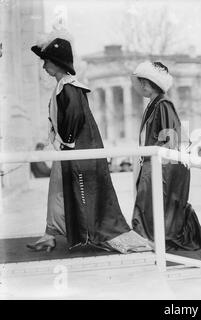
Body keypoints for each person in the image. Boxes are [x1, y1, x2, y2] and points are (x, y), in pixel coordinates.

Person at [27, 32, 147, 253]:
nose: (44, 66)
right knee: (57, 190)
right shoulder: (63, 86)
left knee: (64, 191)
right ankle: (50, 234)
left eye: (46, 61)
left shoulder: (69, 88)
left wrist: (67, 144)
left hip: (75, 151)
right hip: (69, 150)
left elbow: (74, 118)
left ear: (56, 63)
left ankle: (55, 234)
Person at [131, 61, 201, 251]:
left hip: (161, 165)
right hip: (152, 163)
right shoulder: (154, 104)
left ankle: (147, 238)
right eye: (142, 82)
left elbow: (171, 140)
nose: (142, 86)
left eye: (145, 83)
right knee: (146, 203)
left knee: (150, 203)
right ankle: (147, 237)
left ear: (154, 84)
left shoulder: (163, 104)